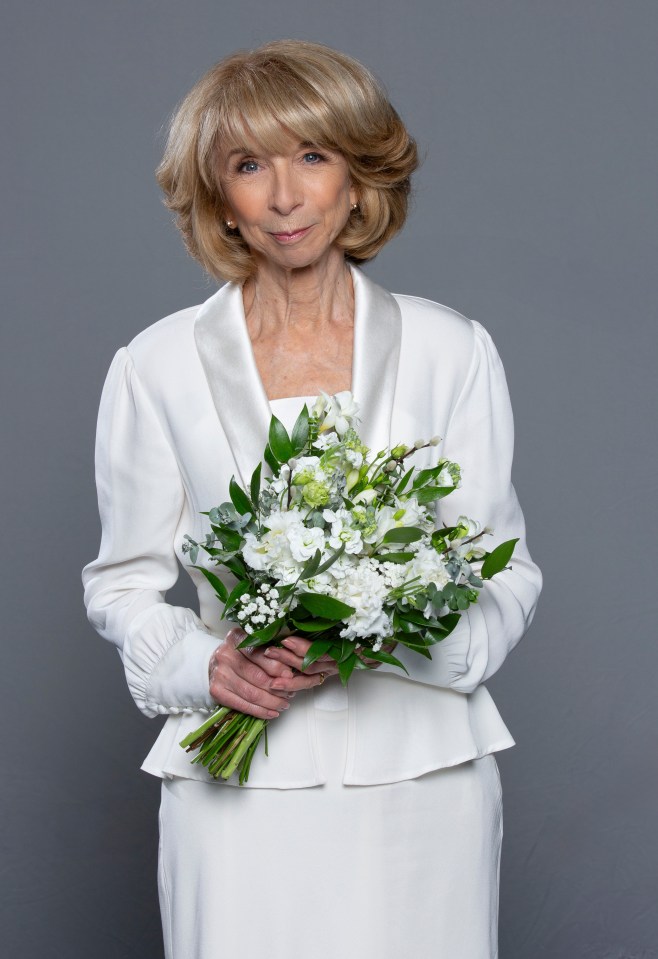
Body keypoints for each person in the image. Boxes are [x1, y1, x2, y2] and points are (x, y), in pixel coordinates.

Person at [82, 39, 542, 959]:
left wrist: (387, 622)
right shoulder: (155, 366)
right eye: (250, 165)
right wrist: (205, 665)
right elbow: (121, 584)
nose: (284, 196)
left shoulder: (454, 350)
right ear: (220, 195)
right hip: (239, 786)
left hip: (421, 776)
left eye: (312, 156)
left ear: (359, 177)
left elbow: (507, 570)